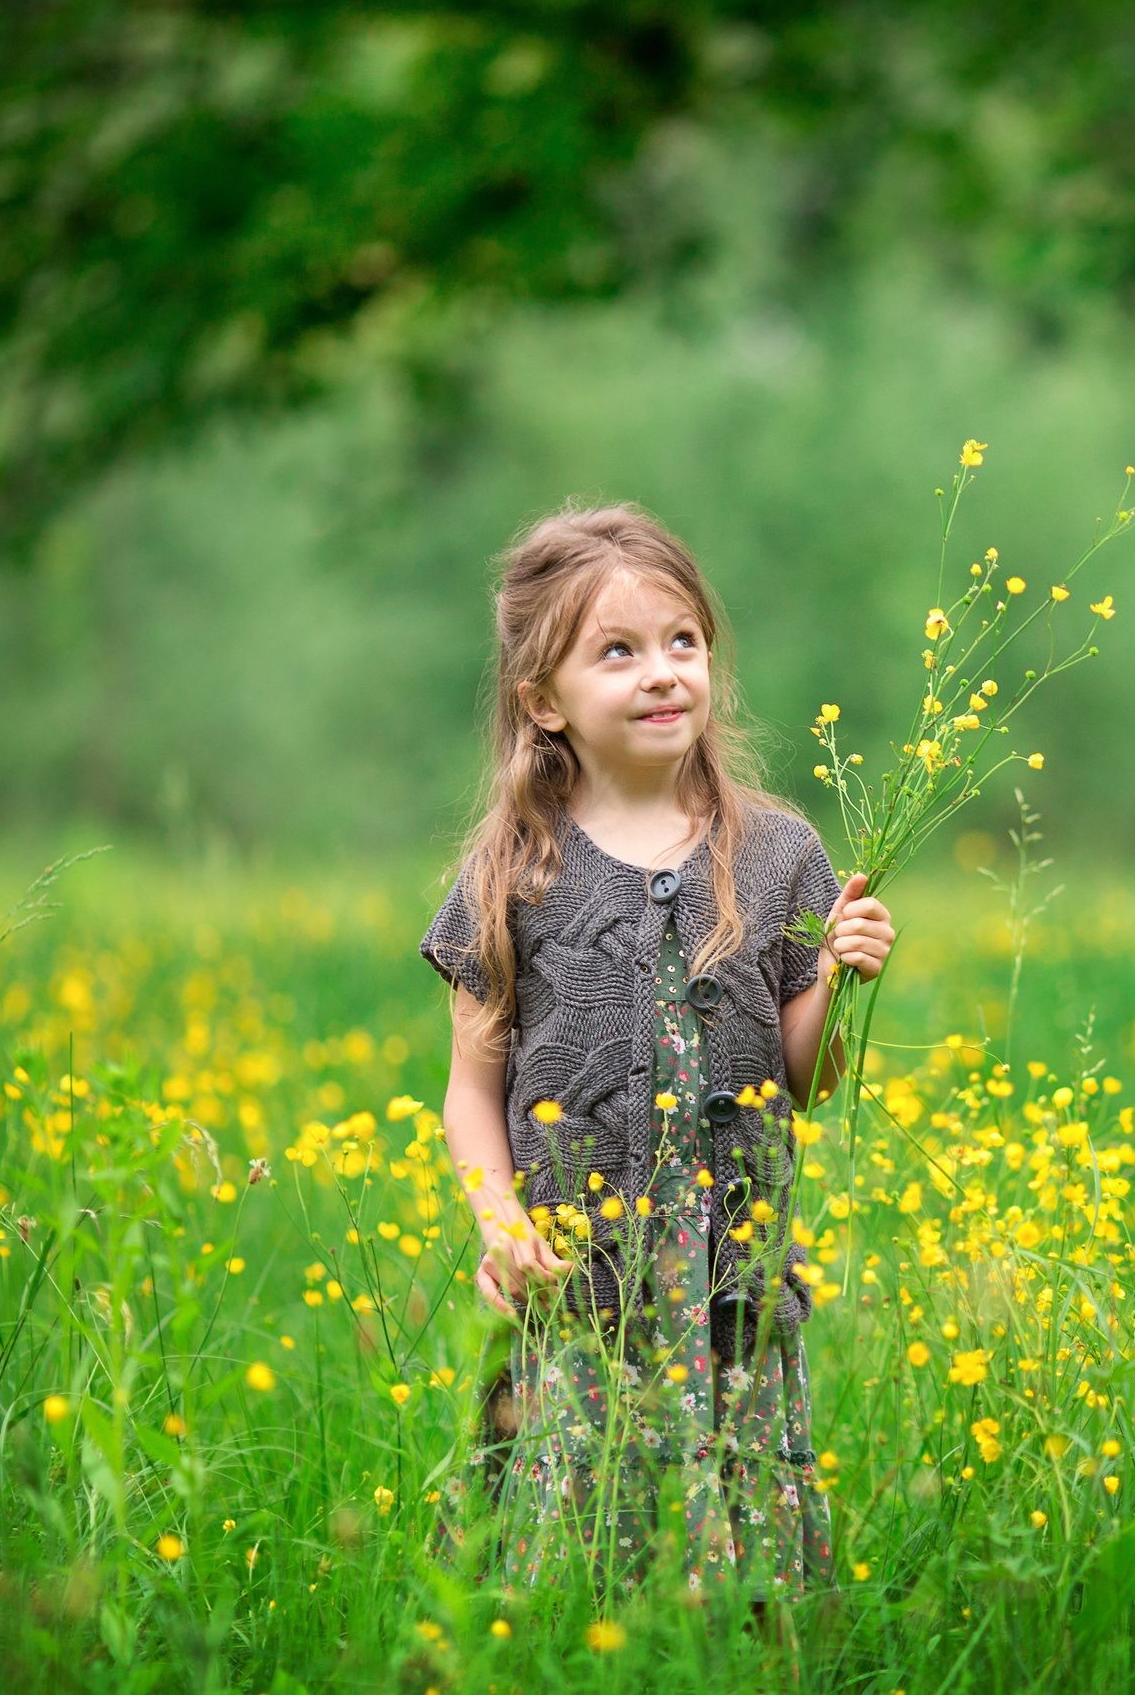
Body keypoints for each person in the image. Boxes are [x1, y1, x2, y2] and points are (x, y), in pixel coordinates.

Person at [419, 503, 895, 1600]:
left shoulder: (778, 854)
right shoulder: (512, 871)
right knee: (572, 1556)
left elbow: (805, 1082)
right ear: (544, 701)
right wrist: (500, 1228)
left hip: (732, 1277)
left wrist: (838, 977)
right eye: (618, 652)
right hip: (577, 1282)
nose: (662, 673)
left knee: (744, 1571)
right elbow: (470, 1089)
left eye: (682, 642)